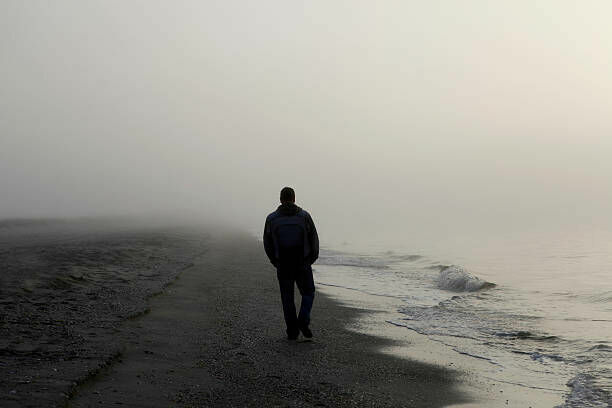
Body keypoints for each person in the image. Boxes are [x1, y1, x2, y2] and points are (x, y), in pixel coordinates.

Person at [263, 187, 319, 340]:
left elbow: (267, 242)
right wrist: (311, 259)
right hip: (302, 263)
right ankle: (303, 320)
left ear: (280, 199)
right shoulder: (304, 216)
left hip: (283, 264)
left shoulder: (272, 219)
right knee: (308, 293)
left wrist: (275, 260)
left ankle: (292, 330)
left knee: (287, 298)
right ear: (294, 199)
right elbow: (314, 239)